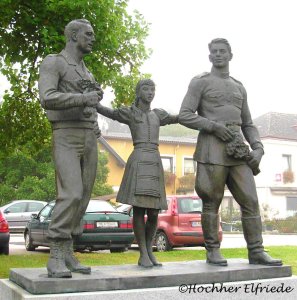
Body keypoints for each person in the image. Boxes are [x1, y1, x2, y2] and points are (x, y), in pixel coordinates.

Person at [179, 38, 282, 267]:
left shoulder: (239, 86)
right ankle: (213, 251)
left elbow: (248, 123)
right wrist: (214, 126)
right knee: (211, 201)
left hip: (238, 151)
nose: (218, 54)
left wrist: (258, 147)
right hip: (211, 148)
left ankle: (256, 250)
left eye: (222, 51)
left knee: (251, 200)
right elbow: (185, 114)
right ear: (209, 57)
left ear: (230, 55)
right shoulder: (200, 82)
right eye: (214, 52)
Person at [38, 19, 103, 278]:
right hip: (65, 134)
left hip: (89, 135)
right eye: (88, 34)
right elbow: (47, 97)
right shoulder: (54, 62)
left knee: (84, 196)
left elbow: (90, 102)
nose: (92, 38)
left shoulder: (87, 70)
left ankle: (68, 252)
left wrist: (94, 115)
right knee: (72, 193)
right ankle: (55, 254)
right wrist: (83, 98)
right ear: (74, 35)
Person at [97, 79, 178, 267]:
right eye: (146, 88)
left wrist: (197, 111)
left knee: (155, 212)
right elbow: (109, 112)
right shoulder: (131, 113)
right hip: (139, 158)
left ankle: (150, 249)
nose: (150, 92)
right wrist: (94, 102)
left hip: (155, 160)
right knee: (140, 210)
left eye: (153, 89)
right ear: (138, 91)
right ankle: (142, 252)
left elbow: (179, 118)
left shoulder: (158, 115)